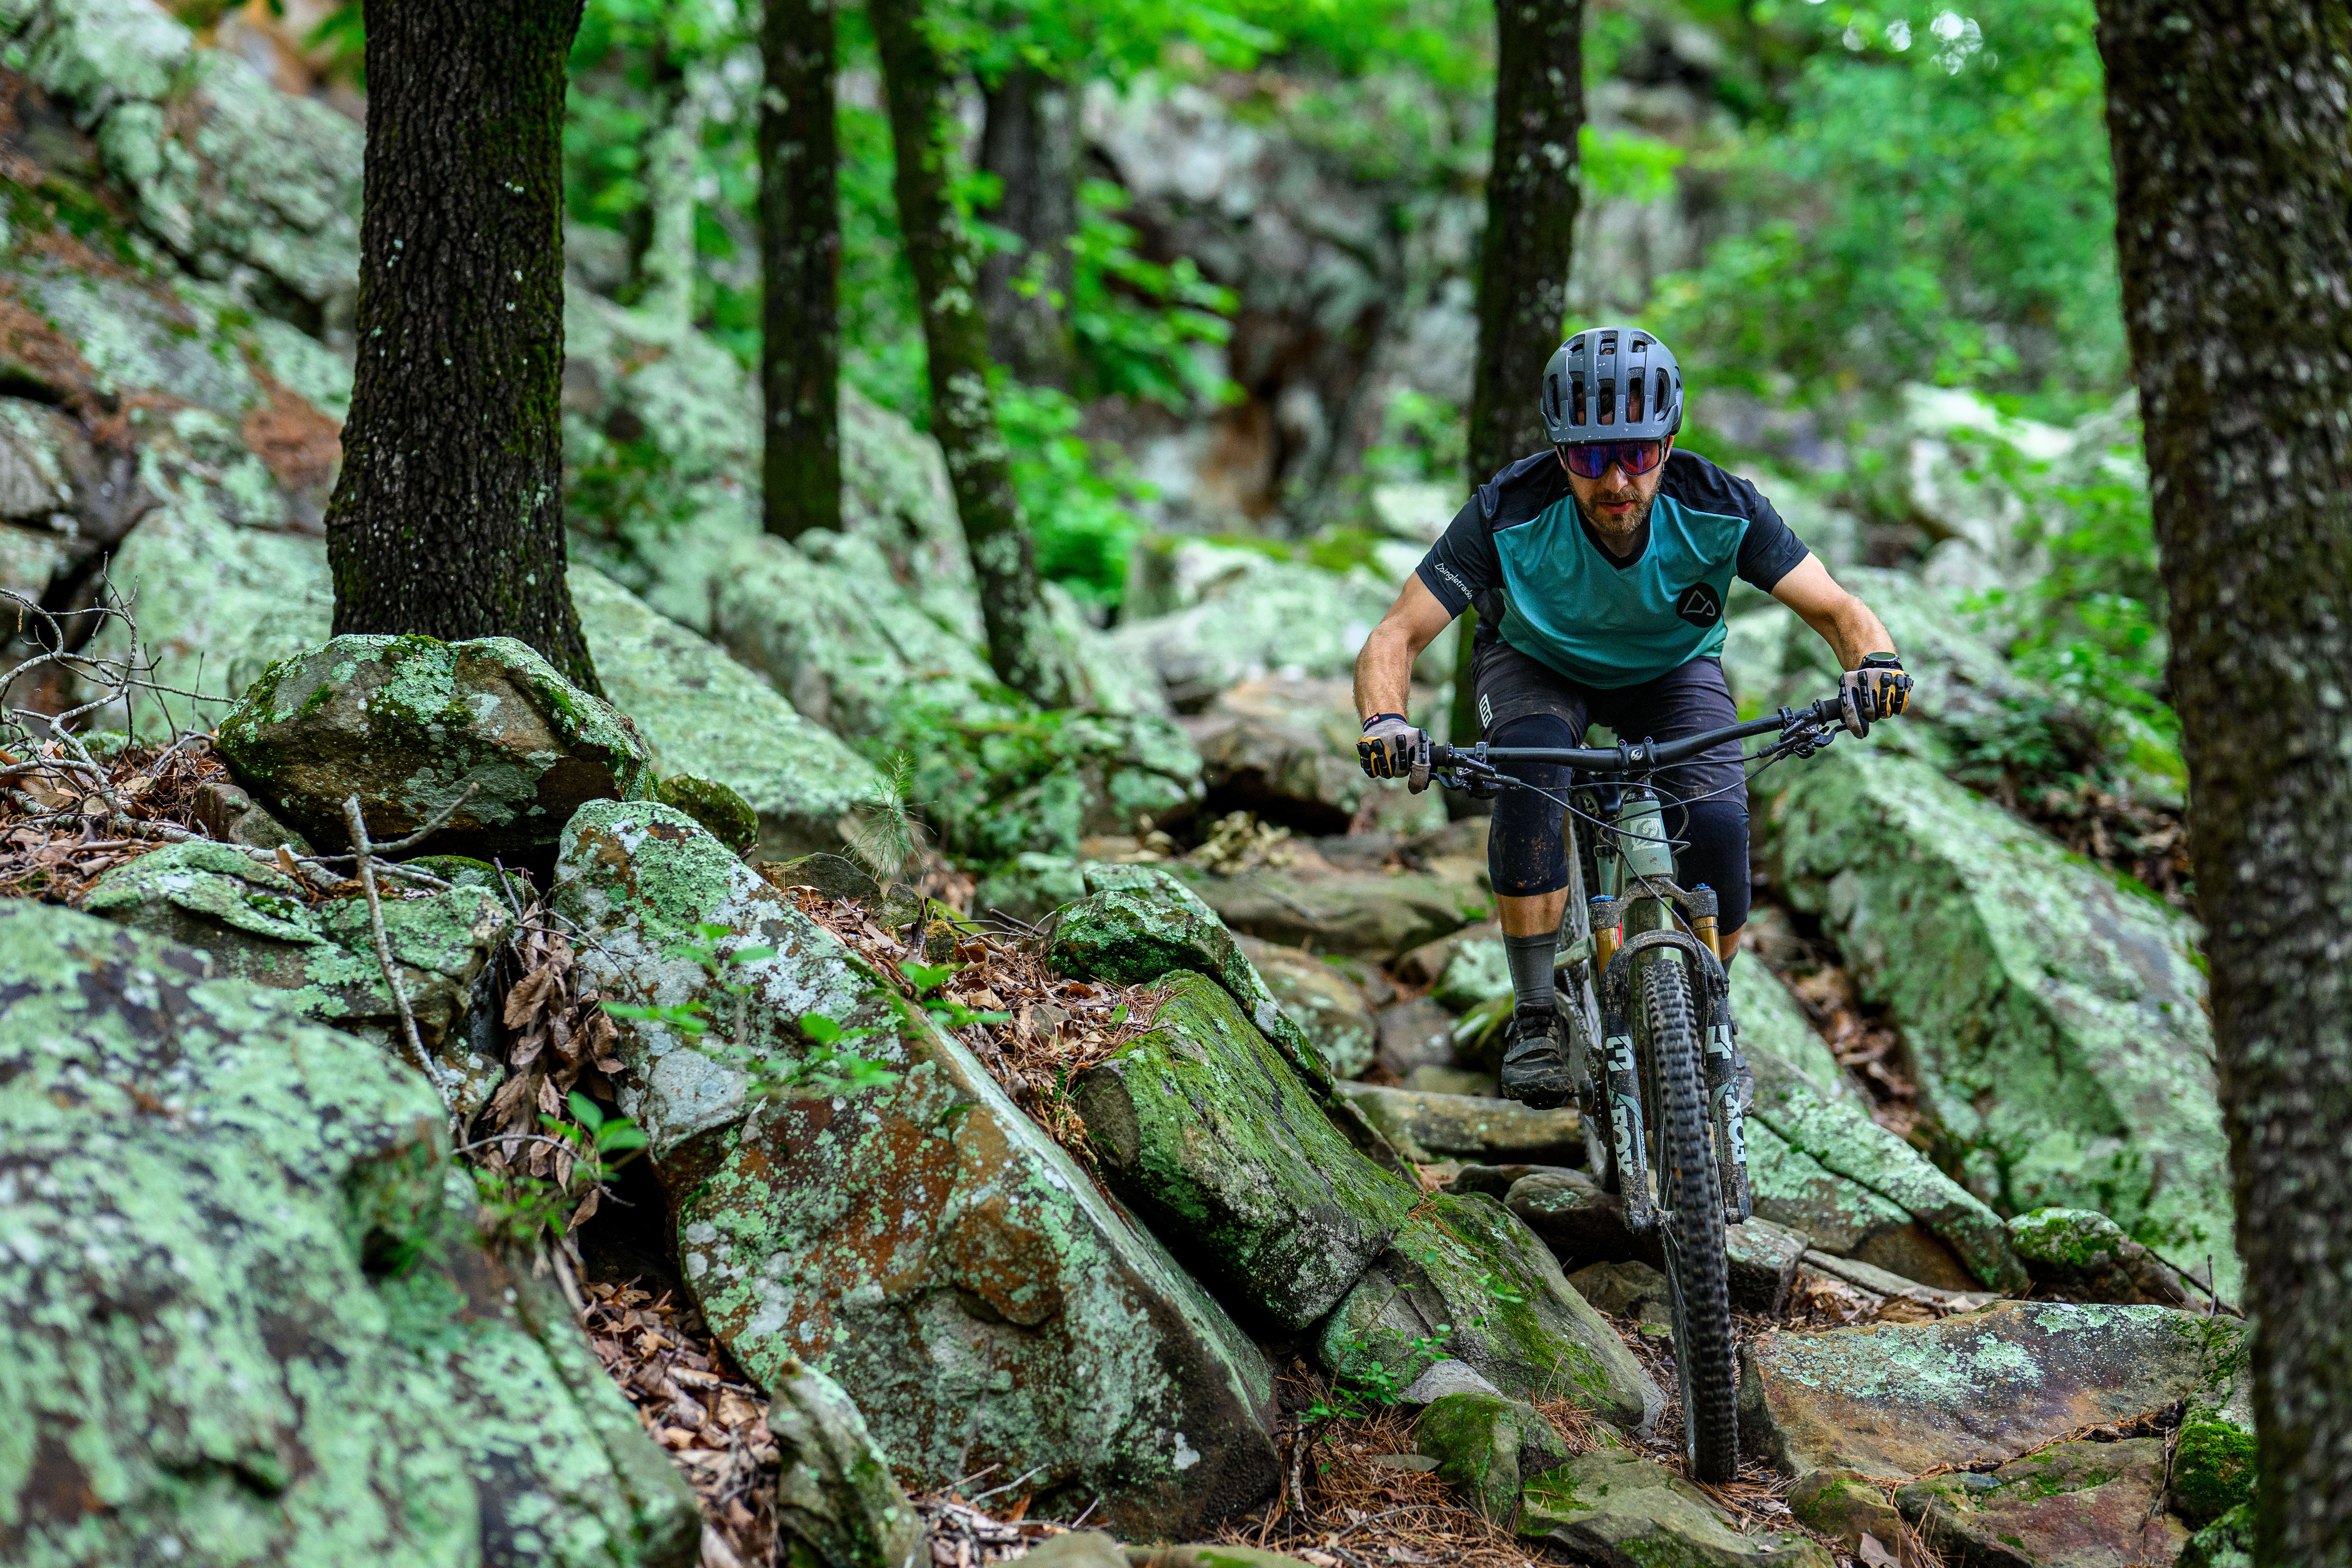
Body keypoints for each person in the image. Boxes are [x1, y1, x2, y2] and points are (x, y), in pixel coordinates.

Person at [1352, 326, 1912, 1106]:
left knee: (1717, 821)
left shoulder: (1721, 505)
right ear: (1559, 455)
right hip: (1536, 665)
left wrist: (1874, 667)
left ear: (1669, 443)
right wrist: (1385, 721)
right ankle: (1538, 1013)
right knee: (1531, 768)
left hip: (1672, 670)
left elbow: (1838, 608)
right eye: (1588, 457)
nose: (1616, 479)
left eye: (1639, 454)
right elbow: (1396, 635)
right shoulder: (1506, 512)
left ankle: (1712, 1010)